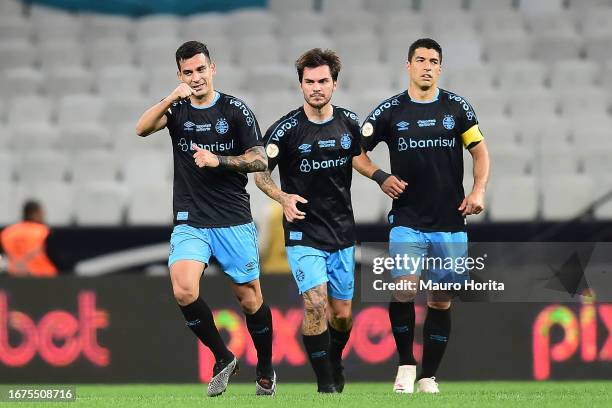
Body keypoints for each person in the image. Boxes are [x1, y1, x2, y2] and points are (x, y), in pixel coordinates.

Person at [135, 41, 275, 397]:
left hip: (233, 219)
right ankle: (223, 357)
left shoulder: (234, 110)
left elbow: (260, 160)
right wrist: (170, 97)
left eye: (200, 70)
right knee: (183, 289)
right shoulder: (178, 110)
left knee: (250, 300)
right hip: (191, 219)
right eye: (187, 72)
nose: (195, 78)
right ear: (180, 75)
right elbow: (141, 128)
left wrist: (220, 161)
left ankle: (265, 368)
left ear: (213, 69)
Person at [355, 38, 490, 394]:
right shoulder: (391, 111)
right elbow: (356, 151)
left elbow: (480, 153)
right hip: (407, 221)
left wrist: (478, 191)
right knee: (403, 290)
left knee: (440, 300)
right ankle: (405, 365)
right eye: (420, 59)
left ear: (440, 68)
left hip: (449, 221)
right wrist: (381, 177)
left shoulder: (457, 108)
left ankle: (428, 375)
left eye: (433, 61)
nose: (427, 66)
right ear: (408, 65)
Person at [255, 48, 366, 393]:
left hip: (342, 231)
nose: (316, 87)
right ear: (300, 85)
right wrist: (283, 197)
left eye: (323, 81)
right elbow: (260, 174)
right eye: (309, 82)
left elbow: (361, 160)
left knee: (342, 313)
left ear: (334, 83)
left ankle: (334, 359)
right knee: (315, 302)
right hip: (303, 231)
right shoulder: (286, 130)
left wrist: (382, 178)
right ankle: (325, 385)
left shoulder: (349, 123)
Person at [0, 200, 58, 277]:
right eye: (41, 212)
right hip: (44, 277)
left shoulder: (7, 232)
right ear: (35, 213)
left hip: (14, 277)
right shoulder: (44, 231)